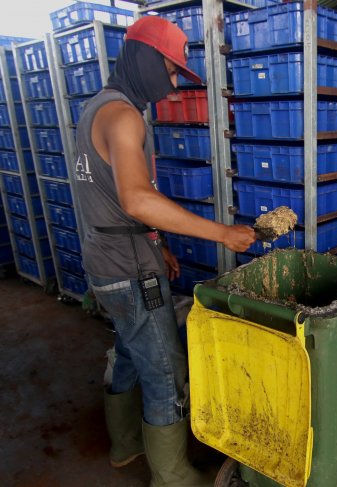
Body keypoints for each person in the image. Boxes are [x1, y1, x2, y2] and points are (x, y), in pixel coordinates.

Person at [74, 15, 255, 486]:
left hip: (104, 258)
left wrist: (159, 243)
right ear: (145, 59)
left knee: (130, 351)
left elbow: (117, 199)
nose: (173, 85)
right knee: (165, 374)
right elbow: (137, 198)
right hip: (128, 270)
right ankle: (173, 477)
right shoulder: (124, 115)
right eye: (172, 71)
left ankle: (125, 444)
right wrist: (223, 234)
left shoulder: (97, 106)